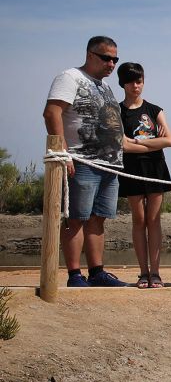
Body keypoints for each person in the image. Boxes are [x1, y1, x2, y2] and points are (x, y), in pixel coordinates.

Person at [43, 36, 126, 287]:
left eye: (115, 59)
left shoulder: (105, 87)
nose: (112, 64)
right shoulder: (69, 77)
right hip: (81, 160)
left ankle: (97, 272)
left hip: (109, 163)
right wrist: (64, 152)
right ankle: (74, 275)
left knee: (98, 217)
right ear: (91, 55)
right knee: (76, 217)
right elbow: (52, 112)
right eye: (106, 58)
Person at [116, 62, 171, 289]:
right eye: (131, 81)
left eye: (139, 81)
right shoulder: (117, 111)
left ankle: (156, 273)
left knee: (154, 220)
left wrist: (138, 142)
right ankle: (143, 272)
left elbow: (169, 140)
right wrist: (152, 143)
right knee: (139, 220)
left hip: (155, 168)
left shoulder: (155, 110)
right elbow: (122, 146)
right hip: (131, 169)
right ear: (123, 83)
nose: (136, 86)